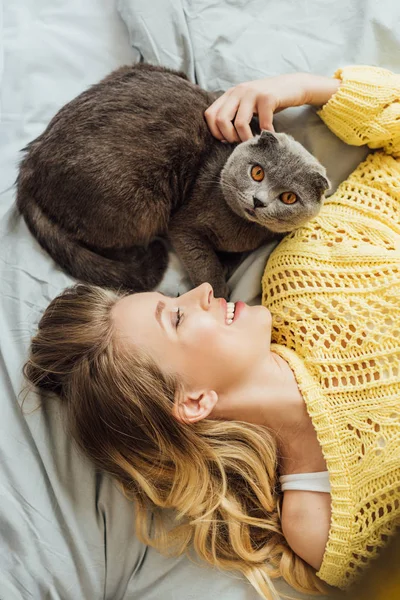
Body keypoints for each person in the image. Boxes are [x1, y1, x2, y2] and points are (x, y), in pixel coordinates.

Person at [24, 65, 400, 600]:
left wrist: (306, 90)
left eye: (175, 299)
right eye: (177, 316)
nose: (202, 292)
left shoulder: (306, 274)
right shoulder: (317, 520)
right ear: (194, 401)